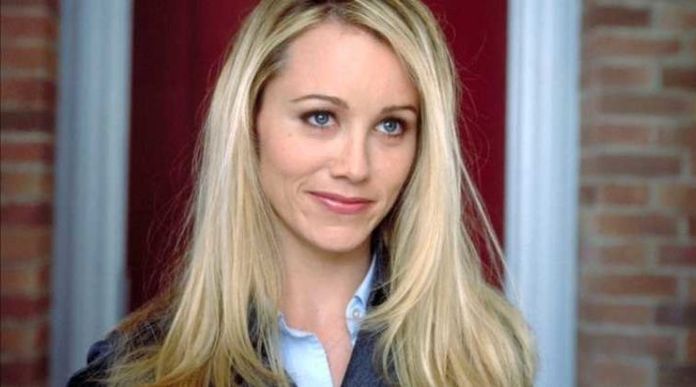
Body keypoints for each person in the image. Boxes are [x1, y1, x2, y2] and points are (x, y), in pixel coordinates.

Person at [69, 0, 535, 386]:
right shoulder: (130, 372)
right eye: (320, 117)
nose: (355, 167)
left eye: (391, 125)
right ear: (251, 123)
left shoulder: (487, 354)